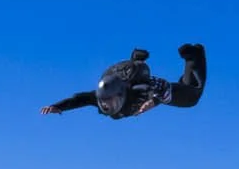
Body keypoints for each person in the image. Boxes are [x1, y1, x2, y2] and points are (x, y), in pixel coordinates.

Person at [43, 44, 206, 119]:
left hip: (158, 90)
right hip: (126, 79)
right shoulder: (100, 98)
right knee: (186, 90)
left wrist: (154, 101)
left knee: (192, 97)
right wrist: (57, 106)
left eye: (110, 102)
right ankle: (137, 59)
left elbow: (156, 89)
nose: (108, 107)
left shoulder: (140, 89)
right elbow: (79, 99)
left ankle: (195, 54)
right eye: (105, 103)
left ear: (121, 94)